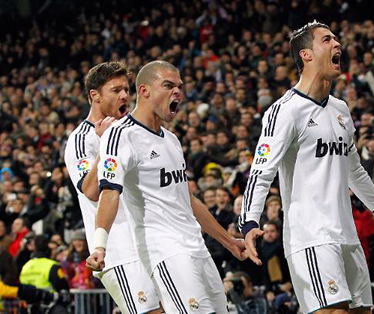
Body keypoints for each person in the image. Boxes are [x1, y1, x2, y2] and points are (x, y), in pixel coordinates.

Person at [239, 21, 374, 314]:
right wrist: (249, 221)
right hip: (311, 235)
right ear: (306, 55)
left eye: (336, 39)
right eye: (327, 40)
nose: (337, 44)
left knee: (362, 311)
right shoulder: (285, 111)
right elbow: (262, 170)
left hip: (347, 234)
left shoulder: (340, 110)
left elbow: (355, 171)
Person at [86, 60, 246, 313]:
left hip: (197, 246)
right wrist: (99, 245)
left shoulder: (171, 140)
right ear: (144, 91)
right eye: (168, 85)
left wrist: (228, 241)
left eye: (179, 87)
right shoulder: (120, 135)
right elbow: (109, 192)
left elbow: (188, 200)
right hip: (165, 251)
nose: (177, 92)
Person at [64, 62, 162, 314]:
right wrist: (105, 142)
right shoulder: (81, 139)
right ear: (94, 95)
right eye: (116, 90)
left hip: (151, 245)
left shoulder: (131, 133)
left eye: (126, 90)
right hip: (119, 251)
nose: (124, 96)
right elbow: (91, 191)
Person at [19, 235, 70, 314]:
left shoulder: (26, 266)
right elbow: (63, 287)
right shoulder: (52, 265)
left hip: (30, 308)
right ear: (48, 249)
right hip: (50, 306)